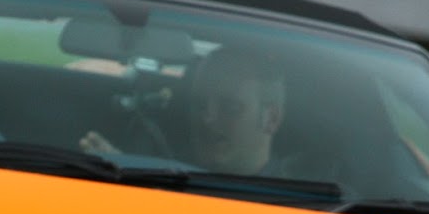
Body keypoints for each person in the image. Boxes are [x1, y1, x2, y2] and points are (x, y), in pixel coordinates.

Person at [79, 44, 288, 176]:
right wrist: (123, 170)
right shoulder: (175, 172)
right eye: (199, 104)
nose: (207, 118)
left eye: (230, 108)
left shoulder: (290, 203)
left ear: (271, 119)